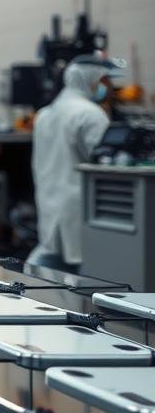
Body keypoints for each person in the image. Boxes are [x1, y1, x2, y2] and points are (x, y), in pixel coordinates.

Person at [27, 55, 125, 273]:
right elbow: (106, 164)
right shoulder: (90, 114)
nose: (109, 87)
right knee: (88, 274)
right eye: (106, 80)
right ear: (91, 78)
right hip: (80, 211)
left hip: (49, 206)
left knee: (50, 268)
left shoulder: (44, 114)